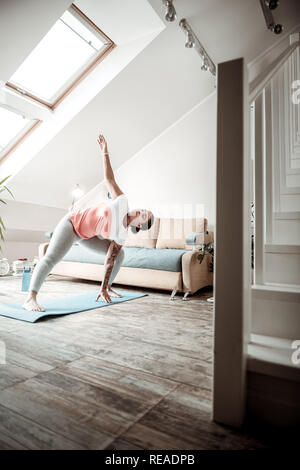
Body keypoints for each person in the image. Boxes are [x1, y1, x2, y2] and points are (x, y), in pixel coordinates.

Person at [22, 134, 154, 312]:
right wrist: (105, 153)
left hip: (86, 237)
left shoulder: (122, 235)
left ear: (138, 226)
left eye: (145, 216)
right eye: (144, 210)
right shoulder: (122, 201)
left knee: (119, 256)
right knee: (51, 258)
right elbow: (109, 179)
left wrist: (103, 286)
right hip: (72, 224)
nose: (142, 212)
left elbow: (109, 260)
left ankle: (108, 289)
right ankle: (31, 298)